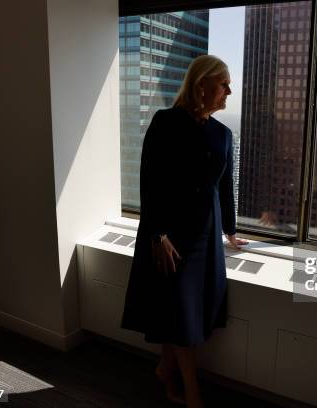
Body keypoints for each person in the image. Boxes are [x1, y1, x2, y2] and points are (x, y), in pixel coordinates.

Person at [121, 55, 248, 408]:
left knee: (181, 312)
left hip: (205, 238)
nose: (229, 91)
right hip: (171, 235)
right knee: (183, 315)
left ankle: (165, 369)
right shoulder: (166, 122)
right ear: (201, 83)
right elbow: (151, 180)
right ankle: (193, 396)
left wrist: (231, 232)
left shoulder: (223, 134)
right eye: (223, 83)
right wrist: (158, 234)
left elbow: (225, 188)